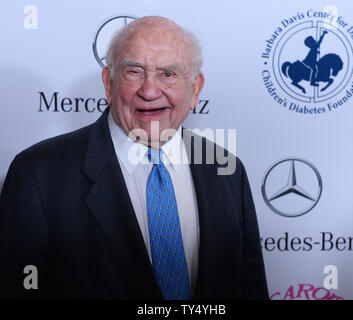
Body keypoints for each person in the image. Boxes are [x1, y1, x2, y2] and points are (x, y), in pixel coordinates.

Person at [0, 16, 268, 300]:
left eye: (168, 73)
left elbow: (249, 288)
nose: (150, 91)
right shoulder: (38, 174)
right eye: (134, 72)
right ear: (108, 83)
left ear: (195, 89)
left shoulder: (226, 169)